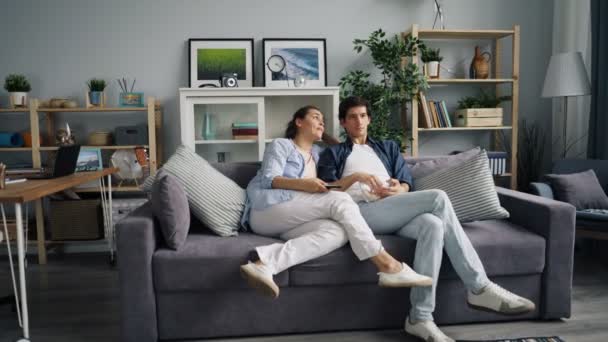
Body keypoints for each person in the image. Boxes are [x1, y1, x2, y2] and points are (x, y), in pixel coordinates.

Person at [317, 96, 535, 342]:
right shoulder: (333, 153)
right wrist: (357, 177)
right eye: (353, 117)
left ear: (370, 118)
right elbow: (328, 190)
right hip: (360, 213)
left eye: (363, 115)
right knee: (438, 198)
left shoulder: (387, 147)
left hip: (393, 207)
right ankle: (479, 286)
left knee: (433, 225)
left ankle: (419, 318)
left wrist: (396, 189)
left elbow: (406, 183)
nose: (359, 121)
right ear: (343, 122)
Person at [239, 105, 432, 299]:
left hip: (291, 219)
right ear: (298, 122)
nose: (321, 122)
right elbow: (268, 179)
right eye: (315, 117)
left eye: (323, 119)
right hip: (267, 210)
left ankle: (265, 264)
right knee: (340, 199)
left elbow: (336, 167)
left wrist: (353, 172)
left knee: (338, 232)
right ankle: (387, 264)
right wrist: (306, 185)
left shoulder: (317, 154)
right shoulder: (281, 145)